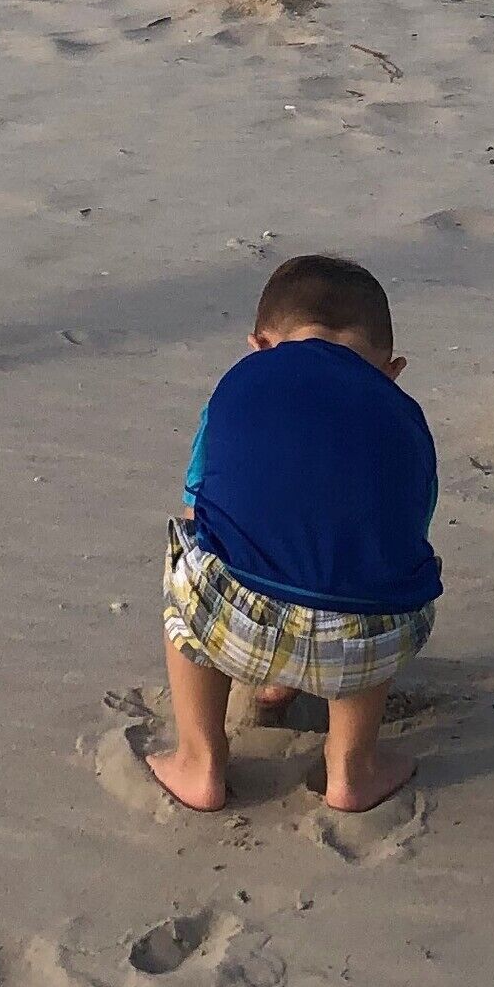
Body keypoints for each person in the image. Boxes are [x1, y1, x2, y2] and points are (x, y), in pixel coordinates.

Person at [146, 253, 439, 817]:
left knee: (192, 551)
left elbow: (199, 510)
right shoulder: (404, 416)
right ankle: (352, 767)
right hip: (367, 642)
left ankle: (200, 760)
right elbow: (405, 536)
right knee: (375, 572)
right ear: (391, 369)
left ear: (259, 346)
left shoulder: (241, 383)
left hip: (235, 627)